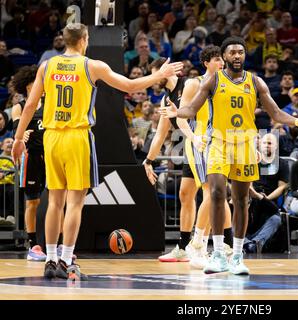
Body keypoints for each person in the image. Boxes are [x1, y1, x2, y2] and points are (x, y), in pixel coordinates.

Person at [11, 23, 183, 280]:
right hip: (77, 136)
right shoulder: (92, 65)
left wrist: (17, 138)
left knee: (55, 201)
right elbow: (129, 86)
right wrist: (160, 75)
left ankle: (49, 259)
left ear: (64, 40)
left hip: (52, 137)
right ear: (84, 40)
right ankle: (67, 260)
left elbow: (31, 105)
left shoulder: (47, 66)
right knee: (75, 203)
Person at [162, 36, 298, 275]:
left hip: (245, 144)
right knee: (216, 192)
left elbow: (276, 113)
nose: (237, 56)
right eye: (232, 52)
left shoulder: (255, 82)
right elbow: (192, 109)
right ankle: (217, 253)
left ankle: (236, 255)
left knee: (240, 200)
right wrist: (178, 112)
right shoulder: (214, 80)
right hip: (218, 142)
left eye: (240, 52)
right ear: (224, 57)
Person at [143, 48, 233, 266]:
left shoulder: (191, 84)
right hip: (191, 146)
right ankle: (184, 248)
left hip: (204, 142)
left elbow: (185, 120)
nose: (155, 79)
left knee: (212, 193)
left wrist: (194, 137)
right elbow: (161, 134)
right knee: (186, 194)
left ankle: (212, 244)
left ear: (168, 70)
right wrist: (148, 160)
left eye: (158, 73)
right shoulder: (166, 99)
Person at [11, 66, 47, 261]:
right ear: (27, 86)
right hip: (30, 157)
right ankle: (33, 245)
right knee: (32, 201)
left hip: (50, 155)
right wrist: (20, 134)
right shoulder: (21, 106)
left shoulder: (49, 104)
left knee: (57, 201)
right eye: (36, 81)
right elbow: (18, 126)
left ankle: (56, 245)